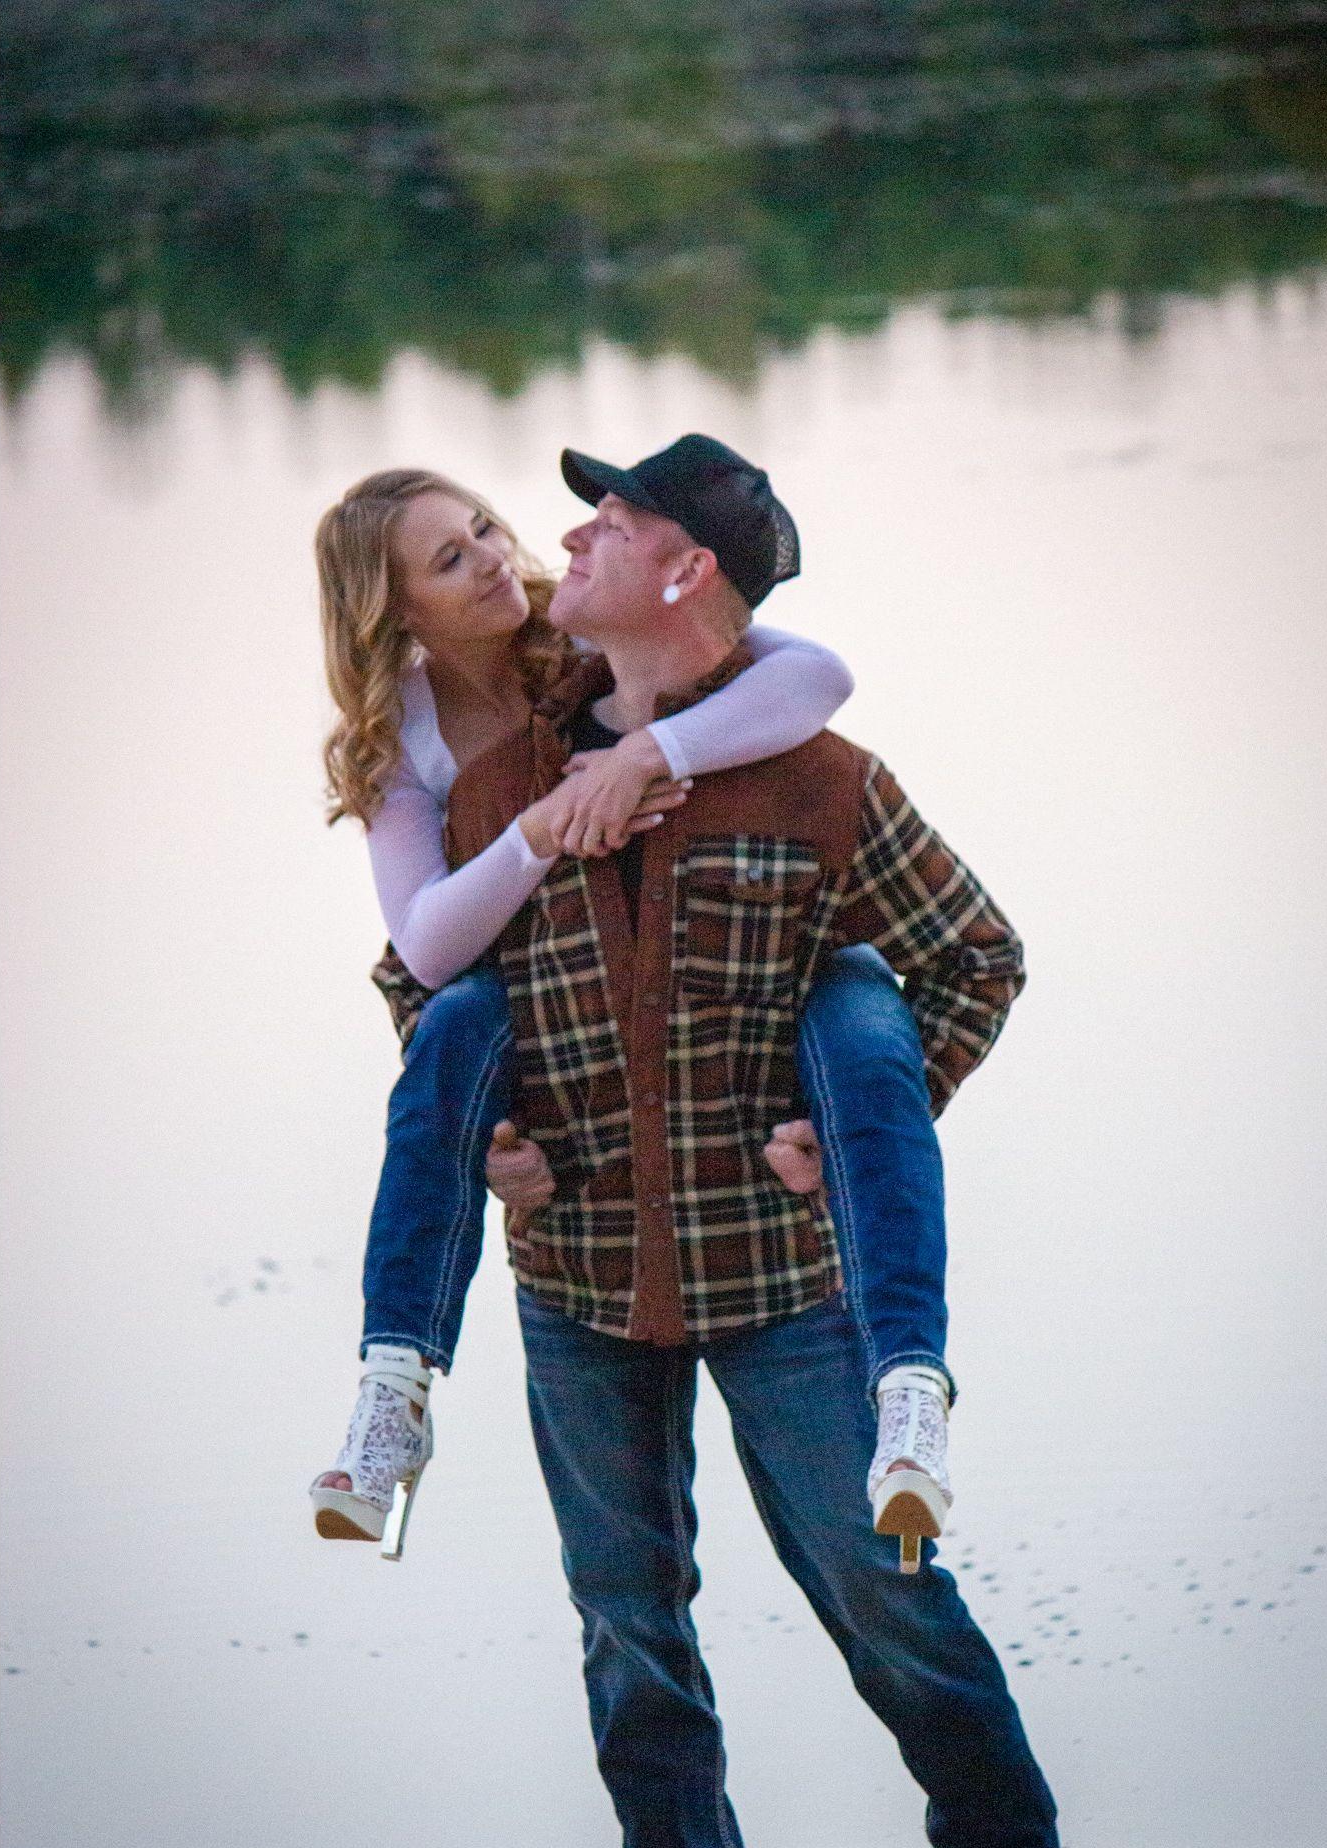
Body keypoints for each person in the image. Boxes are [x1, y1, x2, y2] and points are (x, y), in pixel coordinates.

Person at [390, 434, 1090, 1848]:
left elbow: (976, 957)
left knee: (884, 1590)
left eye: (614, 518)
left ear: (685, 568)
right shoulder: (506, 789)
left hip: (783, 1281)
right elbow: (414, 985)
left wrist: (857, 1133)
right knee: (627, 1618)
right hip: (579, 1282)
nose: (575, 536)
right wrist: (489, 1139)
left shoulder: (825, 784)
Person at [306, 463, 959, 1567]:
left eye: (483, 528)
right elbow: (420, 951)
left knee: (856, 1002)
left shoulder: (583, 636)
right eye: (450, 559)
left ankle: (912, 1383)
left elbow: (817, 676)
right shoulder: (407, 741)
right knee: (455, 1021)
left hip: (733, 1163)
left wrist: (650, 752)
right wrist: (545, 826)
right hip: (557, 1116)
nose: (492, 561)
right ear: (392, 611)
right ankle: (394, 1384)